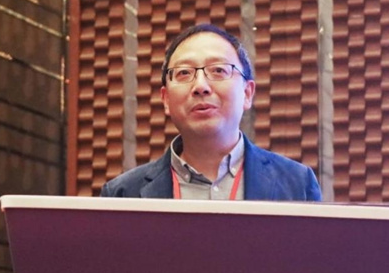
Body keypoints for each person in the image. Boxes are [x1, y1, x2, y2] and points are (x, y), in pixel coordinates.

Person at [101, 24, 321, 201]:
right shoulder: (122, 194)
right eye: (184, 72)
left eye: (218, 70)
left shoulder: (297, 184)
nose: (200, 86)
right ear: (166, 99)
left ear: (247, 93)